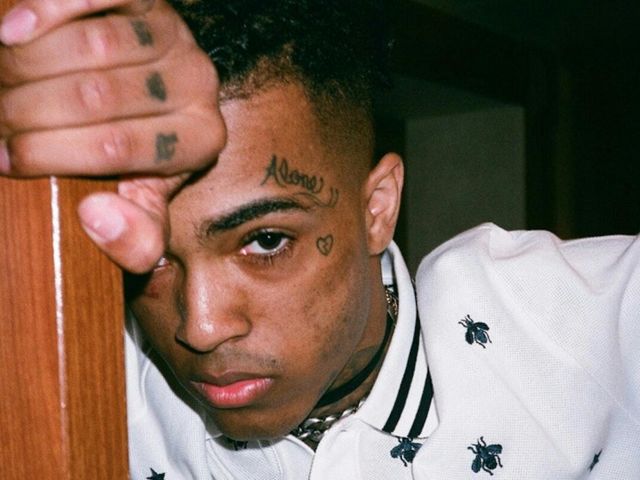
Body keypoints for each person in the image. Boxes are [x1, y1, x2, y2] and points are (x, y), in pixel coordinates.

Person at [0, 1, 638, 479]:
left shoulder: (570, 328)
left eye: (265, 240)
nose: (201, 327)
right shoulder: (84, 388)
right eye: (151, 261)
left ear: (376, 208)